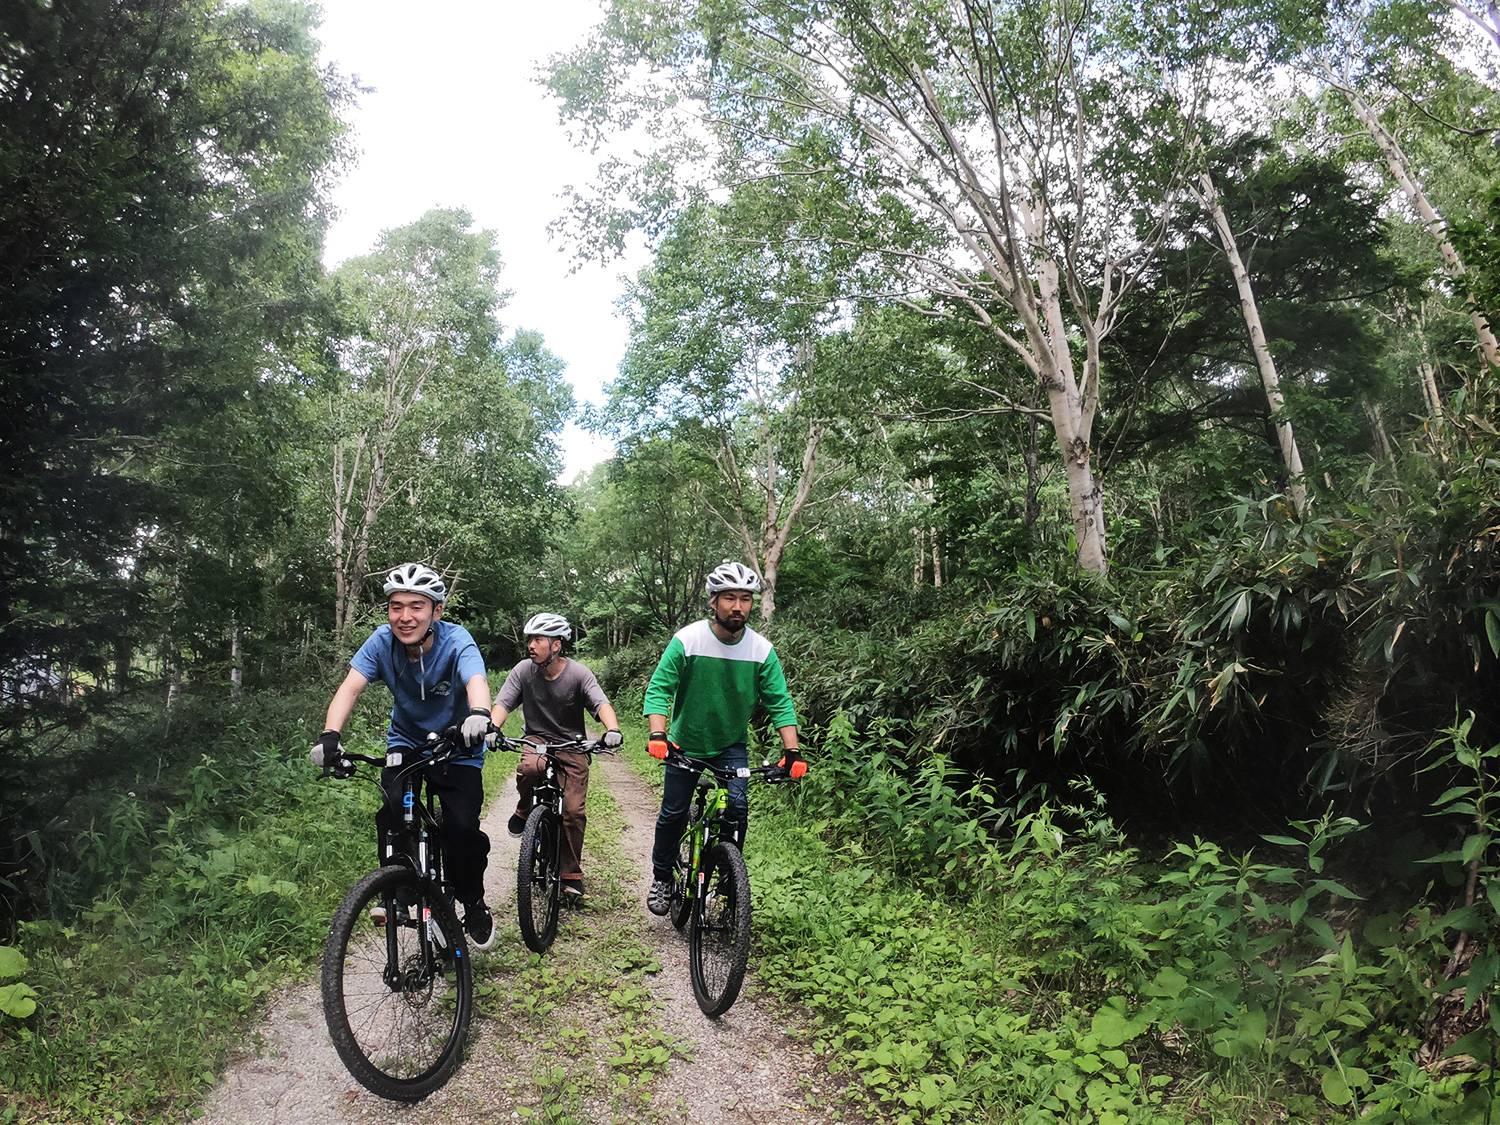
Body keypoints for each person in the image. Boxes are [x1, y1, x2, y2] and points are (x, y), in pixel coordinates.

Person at [314, 562, 499, 950]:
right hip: (406, 742)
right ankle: (398, 893)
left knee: (462, 829)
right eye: (396, 606)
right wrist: (331, 736)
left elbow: (476, 681)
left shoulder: (456, 640)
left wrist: (479, 715)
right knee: (393, 809)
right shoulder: (381, 642)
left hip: (457, 744)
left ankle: (473, 899)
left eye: (417, 605)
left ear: (437, 610)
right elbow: (350, 688)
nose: (405, 616)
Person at [643, 561, 807, 916]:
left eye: (745, 599)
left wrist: (792, 752)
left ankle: (730, 879)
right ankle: (661, 877)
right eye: (729, 598)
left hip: (731, 746)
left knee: (737, 809)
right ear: (713, 601)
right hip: (684, 744)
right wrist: (659, 734)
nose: (738, 606)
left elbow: (780, 702)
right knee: (672, 814)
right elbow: (659, 690)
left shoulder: (761, 650)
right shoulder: (688, 640)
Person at [492, 612, 622, 900]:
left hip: (572, 745)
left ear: (556, 645)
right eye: (530, 639)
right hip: (537, 739)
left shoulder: (578, 674)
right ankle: (524, 809)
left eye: (538, 639)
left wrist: (612, 729)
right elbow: (503, 703)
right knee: (529, 769)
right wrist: (492, 727)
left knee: (573, 812)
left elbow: (601, 703)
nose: (531, 645)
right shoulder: (523, 671)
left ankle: (571, 875)